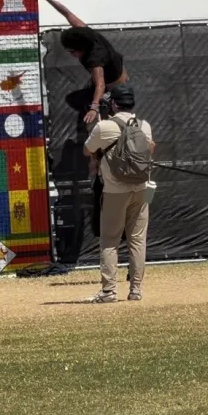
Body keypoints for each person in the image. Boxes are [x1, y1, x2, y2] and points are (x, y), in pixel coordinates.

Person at [83, 83, 154, 303]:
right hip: (142, 189)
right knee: (138, 240)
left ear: (113, 104)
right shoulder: (144, 125)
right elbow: (151, 148)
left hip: (114, 191)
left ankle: (109, 291)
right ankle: (136, 290)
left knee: (110, 241)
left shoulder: (103, 127)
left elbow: (87, 150)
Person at [36, 0, 128, 124]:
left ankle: (106, 108)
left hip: (114, 83)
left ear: (82, 49)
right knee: (89, 91)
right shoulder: (85, 32)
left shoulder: (95, 59)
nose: (70, 54)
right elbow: (67, 13)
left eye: (72, 51)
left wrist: (94, 108)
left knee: (76, 99)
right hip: (116, 68)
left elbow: (101, 84)